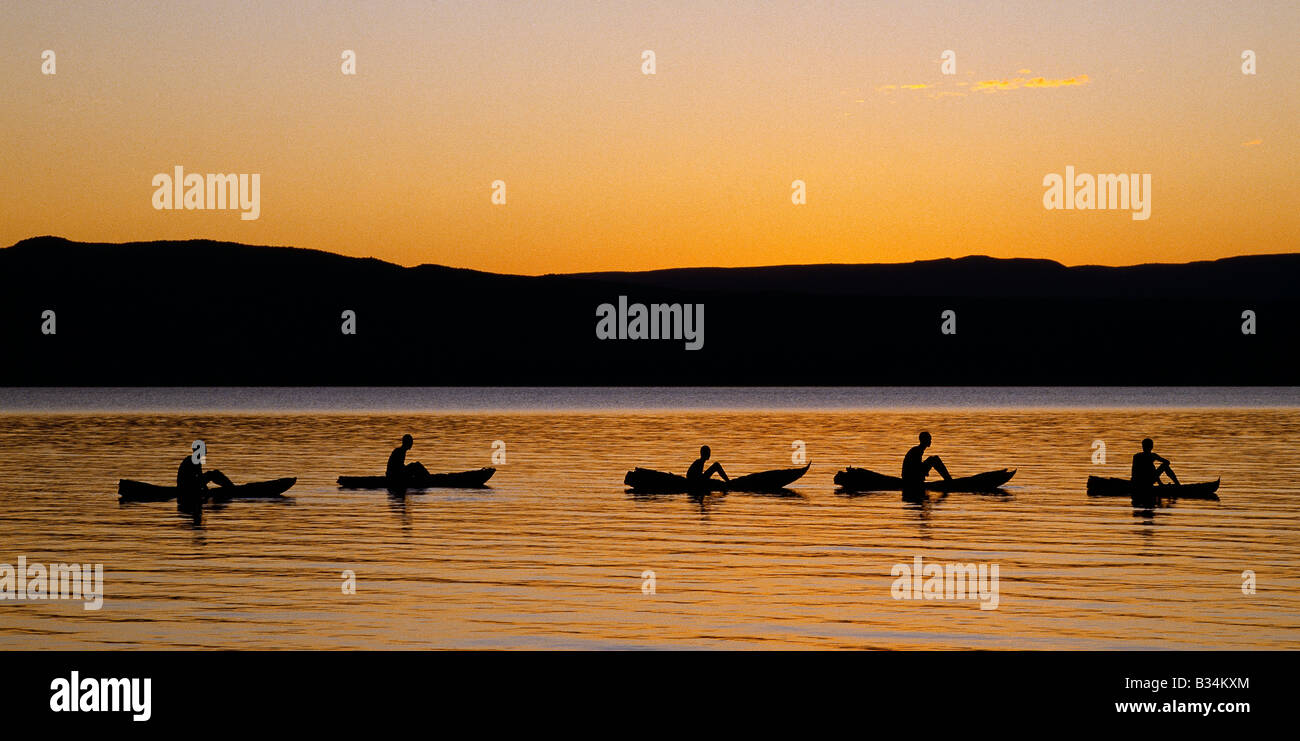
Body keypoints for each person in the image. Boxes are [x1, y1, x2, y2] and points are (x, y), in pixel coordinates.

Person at [901, 431, 952, 498]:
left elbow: (917, 466)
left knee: (933, 458)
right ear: (924, 440)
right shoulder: (917, 450)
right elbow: (915, 467)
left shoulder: (918, 450)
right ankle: (949, 481)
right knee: (934, 459)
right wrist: (924, 472)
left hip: (910, 477)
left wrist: (924, 471)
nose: (930, 441)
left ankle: (949, 480)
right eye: (929, 439)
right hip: (911, 479)